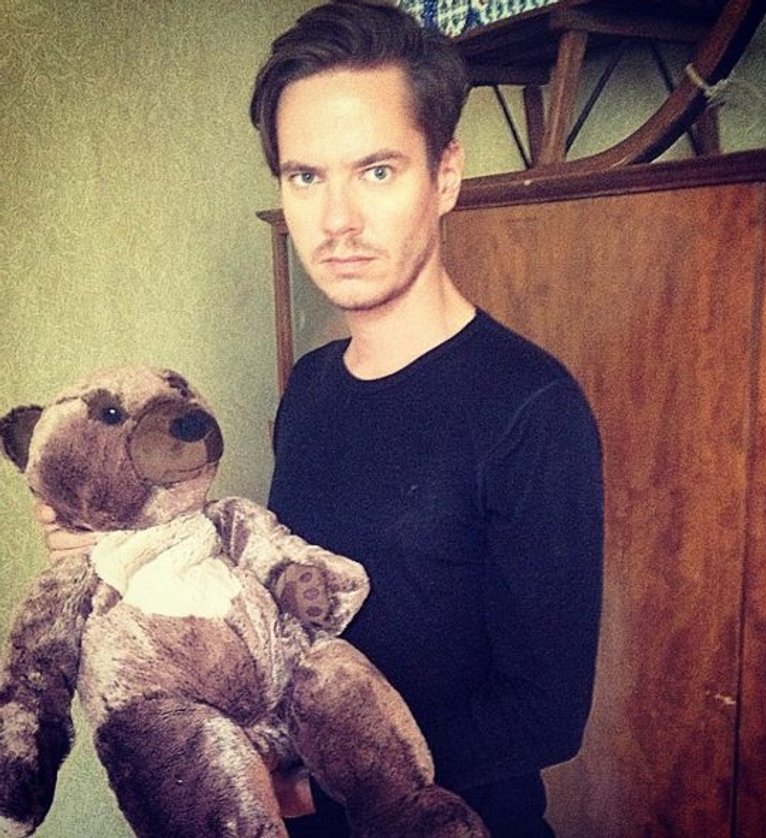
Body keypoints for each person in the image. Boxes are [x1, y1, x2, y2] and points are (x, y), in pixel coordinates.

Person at [39, 2, 603, 835]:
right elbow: (282, 593)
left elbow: (544, 714)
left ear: (445, 174)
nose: (338, 221)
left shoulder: (531, 408)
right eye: (306, 177)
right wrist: (125, 539)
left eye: (376, 171)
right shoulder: (310, 386)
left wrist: (302, 787)